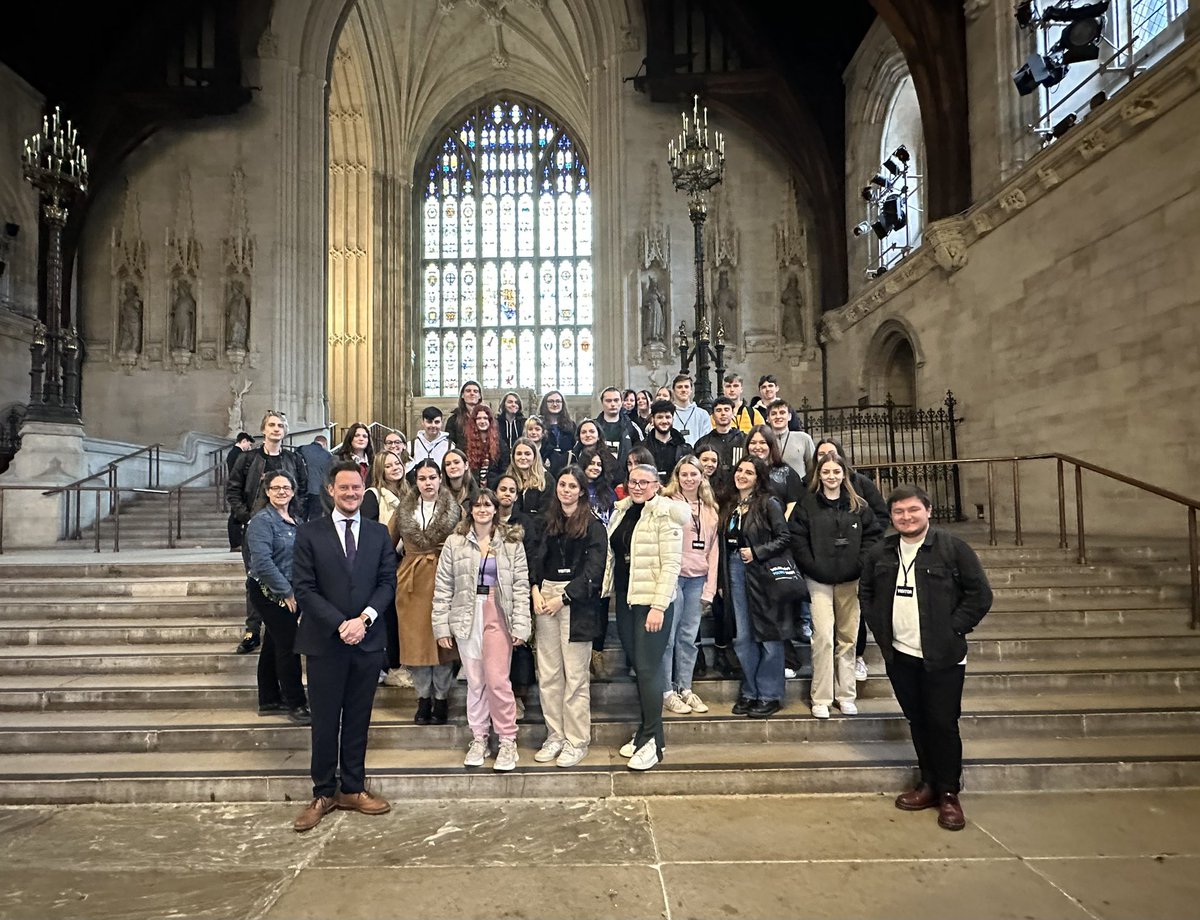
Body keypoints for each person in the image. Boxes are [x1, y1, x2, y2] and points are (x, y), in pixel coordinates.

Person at [860, 484, 993, 831]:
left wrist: (954, 629)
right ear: (891, 517)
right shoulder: (882, 552)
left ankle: (949, 793)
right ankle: (928, 783)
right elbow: (867, 591)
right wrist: (879, 628)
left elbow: (979, 595)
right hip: (901, 654)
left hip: (942, 656)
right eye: (899, 512)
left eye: (912, 510)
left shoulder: (952, 548)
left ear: (928, 510)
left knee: (942, 723)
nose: (906, 517)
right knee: (917, 720)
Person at [291, 461, 397, 832]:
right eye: (344, 488)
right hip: (325, 642)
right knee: (324, 721)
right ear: (331, 490)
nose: (351, 494)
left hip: (366, 642)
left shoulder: (379, 533)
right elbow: (303, 588)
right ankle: (323, 792)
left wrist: (364, 619)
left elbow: (387, 583)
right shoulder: (309, 534)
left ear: (362, 489)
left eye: (356, 488)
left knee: (358, 719)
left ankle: (352, 788)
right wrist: (340, 624)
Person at [432, 489, 531, 772]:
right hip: (466, 613)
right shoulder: (455, 542)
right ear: (470, 510)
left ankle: (507, 740)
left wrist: (522, 625)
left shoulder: (511, 542)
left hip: (498, 613)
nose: (483, 509)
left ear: (497, 508)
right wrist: (441, 625)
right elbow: (443, 587)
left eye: (488, 505)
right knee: (475, 681)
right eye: (477, 505)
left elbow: (521, 587)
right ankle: (479, 738)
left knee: (498, 680)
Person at [602, 463, 688, 771]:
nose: (638, 486)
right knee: (640, 667)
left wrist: (658, 606)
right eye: (633, 481)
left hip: (652, 603)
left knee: (650, 670)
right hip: (626, 600)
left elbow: (671, 565)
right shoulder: (623, 511)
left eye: (644, 482)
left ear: (657, 485)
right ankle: (646, 733)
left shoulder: (666, 513)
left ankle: (654, 742)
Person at [789, 453, 882, 720]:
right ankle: (821, 697)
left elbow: (873, 537)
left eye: (836, 472)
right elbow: (797, 538)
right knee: (824, 638)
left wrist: (860, 564)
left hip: (850, 580)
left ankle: (846, 695)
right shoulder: (808, 504)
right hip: (818, 580)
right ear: (820, 475)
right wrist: (811, 566)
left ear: (844, 474)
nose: (831, 476)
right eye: (826, 472)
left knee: (848, 638)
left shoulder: (858, 506)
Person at [529, 466, 608, 768]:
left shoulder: (594, 525)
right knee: (548, 674)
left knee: (574, 677)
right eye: (562, 484)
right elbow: (535, 559)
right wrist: (536, 590)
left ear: (581, 490)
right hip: (545, 596)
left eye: (572, 486)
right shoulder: (546, 522)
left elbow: (594, 570)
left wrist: (563, 598)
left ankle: (576, 740)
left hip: (576, 601)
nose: (566, 490)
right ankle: (555, 735)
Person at [227, 410, 310, 654]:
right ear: (264, 429)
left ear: (285, 431)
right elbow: (233, 490)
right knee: (255, 577)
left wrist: (295, 517)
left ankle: (284, 626)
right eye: (272, 425)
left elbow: (303, 490)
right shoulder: (248, 458)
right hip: (258, 526)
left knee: (288, 575)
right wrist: (247, 517)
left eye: (281, 425)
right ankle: (253, 630)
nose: (276, 429)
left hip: (287, 528)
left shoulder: (293, 459)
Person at [389, 459, 463, 725]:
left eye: (432, 477)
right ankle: (423, 699)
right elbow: (388, 544)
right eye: (422, 478)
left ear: (440, 478)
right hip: (411, 580)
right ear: (415, 481)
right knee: (416, 643)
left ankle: (441, 698)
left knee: (443, 642)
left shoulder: (455, 509)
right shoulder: (403, 509)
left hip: (445, 578)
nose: (428, 483)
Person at [720, 456, 793, 718]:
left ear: (758, 477)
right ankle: (750, 691)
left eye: (749, 472)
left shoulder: (768, 503)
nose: (741, 475)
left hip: (763, 573)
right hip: (735, 569)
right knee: (743, 637)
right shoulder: (730, 505)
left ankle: (769, 693)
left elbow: (785, 537)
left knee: (768, 635)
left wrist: (758, 551)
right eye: (739, 470)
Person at [812, 436, 890, 681]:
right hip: (821, 568)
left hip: (854, 565)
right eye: (821, 455)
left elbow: (878, 518)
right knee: (824, 628)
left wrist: (864, 556)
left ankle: (856, 659)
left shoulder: (861, 484)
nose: (826, 459)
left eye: (831, 454)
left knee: (853, 620)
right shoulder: (810, 488)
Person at [245, 470, 309, 726]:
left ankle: (269, 698)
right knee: (288, 644)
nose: (281, 491)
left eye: (286, 487)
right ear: (267, 491)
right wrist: (287, 592)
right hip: (268, 591)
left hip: (291, 589)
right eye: (276, 487)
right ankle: (296, 702)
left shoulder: (296, 520)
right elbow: (261, 562)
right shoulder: (262, 521)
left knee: (273, 643)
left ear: (293, 491)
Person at [659, 456, 719, 715]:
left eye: (694, 474)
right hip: (674, 579)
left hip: (698, 579)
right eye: (684, 474)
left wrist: (710, 589)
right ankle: (667, 691)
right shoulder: (667, 504)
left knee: (688, 639)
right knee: (668, 638)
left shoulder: (710, 508)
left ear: (701, 477)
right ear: (677, 477)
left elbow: (714, 551)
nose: (689, 479)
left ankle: (685, 687)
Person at [361, 448, 411, 689]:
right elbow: (367, 533)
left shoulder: (409, 494)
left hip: (407, 564)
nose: (395, 468)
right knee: (387, 618)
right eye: (389, 465)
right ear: (380, 469)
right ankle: (388, 666)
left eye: (397, 463)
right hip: (384, 564)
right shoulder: (373, 496)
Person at [745, 425, 803, 510]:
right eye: (753, 443)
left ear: (771, 445)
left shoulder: (787, 472)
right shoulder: (740, 473)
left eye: (762, 442)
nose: (757, 447)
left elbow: (793, 504)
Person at [766, 399, 815, 480]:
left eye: (782, 413)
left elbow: (813, 468)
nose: (778, 417)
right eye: (774, 414)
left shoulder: (804, 438)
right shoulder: (764, 441)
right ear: (767, 418)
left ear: (789, 416)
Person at [695, 396, 746, 472]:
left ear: (733, 413)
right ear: (713, 416)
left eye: (726, 410)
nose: (723, 413)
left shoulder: (744, 439)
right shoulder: (703, 442)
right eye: (718, 410)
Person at [505, 437, 551, 520]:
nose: (523, 457)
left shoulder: (547, 479)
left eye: (527, 454)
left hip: (538, 529)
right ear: (513, 457)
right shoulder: (507, 479)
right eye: (519, 454)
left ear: (534, 456)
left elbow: (546, 513)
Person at [595, 385, 641, 466]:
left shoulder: (632, 427)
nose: (613, 404)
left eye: (616, 400)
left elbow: (641, 451)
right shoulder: (592, 427)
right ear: (602, 402)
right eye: (608, 401)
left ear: (621, 402)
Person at [645, 399, 689, 484]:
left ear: (673, 419)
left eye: (668, 417)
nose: (664, 421)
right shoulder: (643, 447)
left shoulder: (684, 448)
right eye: (660, 417)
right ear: (653, 419)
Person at [226, 431, 254, 551]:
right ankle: (236, 543)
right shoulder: (237, 454)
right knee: (236, 516)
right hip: (238, 487)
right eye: (249, 444)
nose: (249, 447)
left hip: (237, 486)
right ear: (244, 441)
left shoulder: (233, 453)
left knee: (236, 516)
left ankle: (237, 542)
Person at [464, 403, 502, 489]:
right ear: (474, 421)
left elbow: (503, 468)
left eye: (485, 418)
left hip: (493, 488)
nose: (482, 421)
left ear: (490, 421)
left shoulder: (499, 443)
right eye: (479, 418)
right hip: (472, 487)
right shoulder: (466, 443)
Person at [297, 434, 334, 521]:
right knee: (315, 518)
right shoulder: (327, 455)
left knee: (300, 517)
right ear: (325, 444)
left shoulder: (301, 449)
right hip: (318, 491)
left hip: (301, 490)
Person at [538, 390, 575, 477]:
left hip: (567, 468)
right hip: (543, 469)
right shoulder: (538, 424)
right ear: (545, 404)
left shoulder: (571, 425)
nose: (555, 404)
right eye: (551, 401)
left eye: (558, 401)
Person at [670, 374, 712, 447]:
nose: (683, 390)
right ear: (673, 391)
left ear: (691, 390)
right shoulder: (669, 414)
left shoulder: (702, 414)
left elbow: (707, 439)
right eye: (679, 387)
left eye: (686, 387)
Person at [408, 407, 451, 474]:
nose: (433, 425)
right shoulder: (411, 446)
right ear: (422, 422)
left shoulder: (450, 446)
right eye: (429, 422)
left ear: (441, 423)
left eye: (437, 422)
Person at [445, 380, 483, 451]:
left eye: (475, 391)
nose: (472, 393)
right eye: (468, 391)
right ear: (462, 395)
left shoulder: (486, 418)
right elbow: (450, 444)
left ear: (479, 396)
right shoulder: (453, 419)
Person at [497, 391, 526, 468]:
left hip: (519, 457)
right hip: (500, 459)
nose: (513, 404)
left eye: (516, 403)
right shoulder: (496, 422)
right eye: (510, 402)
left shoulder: (524, 423)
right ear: (504, 404)